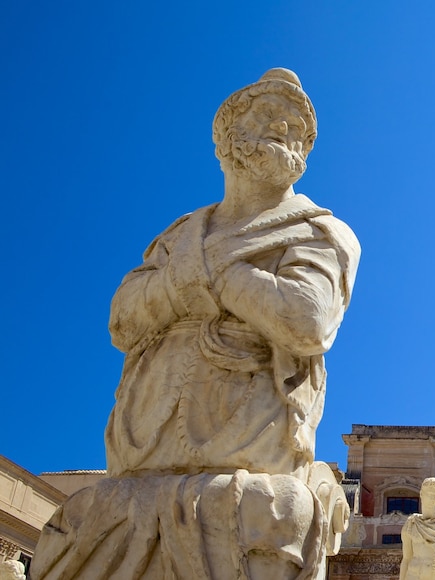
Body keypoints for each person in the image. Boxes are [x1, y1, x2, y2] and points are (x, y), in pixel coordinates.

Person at [33, 68, 359, 580]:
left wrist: (200, 274)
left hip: (248, 459)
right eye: (267, 114)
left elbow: (306, 319)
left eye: (296, 125)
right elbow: (122, 320)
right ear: (228, 137)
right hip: (139, 456)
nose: (284, 126)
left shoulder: (319, 231)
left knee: (268, 516)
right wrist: (231, 281)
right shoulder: (178, 233)